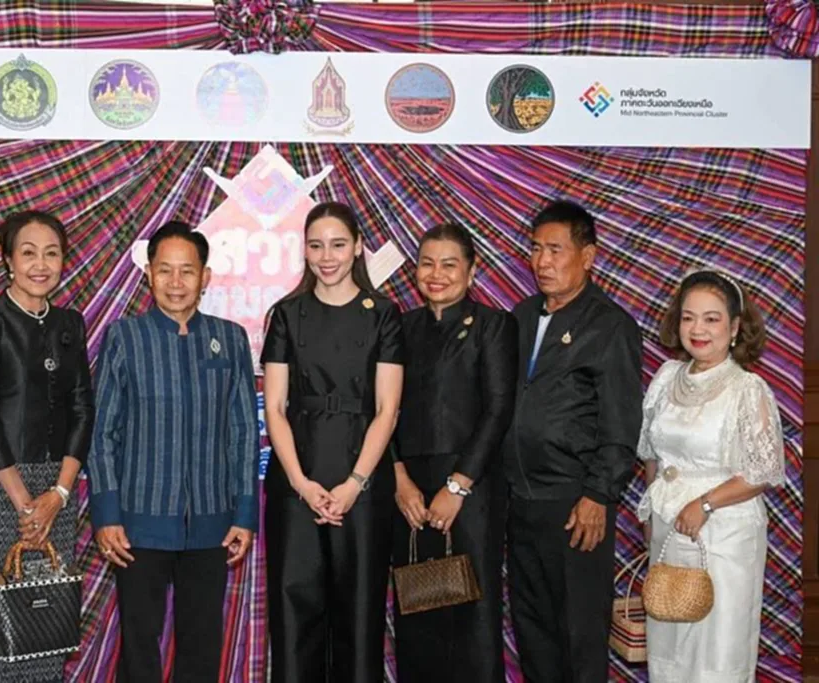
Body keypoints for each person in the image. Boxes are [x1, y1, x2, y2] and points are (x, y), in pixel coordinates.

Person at [87, 220, 259, 683]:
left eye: (187, 270)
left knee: (202, 645)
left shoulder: (230, 338)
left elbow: (244, 431)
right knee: (139, 644)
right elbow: (102, 433)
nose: (176, 282)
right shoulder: (125, 337)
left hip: (212, 523)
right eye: (165, 270)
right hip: (137, 523)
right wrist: (107, 514)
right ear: (149, 275)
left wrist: (244, 513)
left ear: (206, 277)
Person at [262, 201, 404, 682]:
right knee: (293, 616)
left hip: (362, 487)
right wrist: (301, 483)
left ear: (358, 247)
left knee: (359, 618)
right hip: (295, 486)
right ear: (303, 250)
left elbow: (387, 410)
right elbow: (275, 408)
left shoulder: (383, 315)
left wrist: (355, 484)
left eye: (338, 244)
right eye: (316, 246)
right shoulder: (287, 314)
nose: (327, 256)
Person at [503, 200, 643, 682]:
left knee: (579, 635)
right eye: (535, 249)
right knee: (534, 632)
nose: (542, 261)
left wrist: (598, 495)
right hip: (520, 502)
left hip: (575, 505)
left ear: (588, 256)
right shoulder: (520, 317)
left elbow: (622, 425)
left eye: (555, 250)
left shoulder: (610, 326)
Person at [0, 210, 95, 682]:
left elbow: (82, 409)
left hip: (55, 490)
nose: (41, 264)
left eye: (52, 254)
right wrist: (25, 506)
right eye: (29, 253)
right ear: (8, 261)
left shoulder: (71, 323)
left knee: (44, 623)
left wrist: (58, 495)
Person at [637, 270, 784, 681]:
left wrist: (704, 504)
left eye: (711, 319)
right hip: (669, 526)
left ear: (735, 327)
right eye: (688, 318)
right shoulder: (667, 377)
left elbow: (762, 471)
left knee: (717, 647)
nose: (697, 329)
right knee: (669, 639)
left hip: (725, 532)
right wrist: (650, 515)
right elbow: (651, 453)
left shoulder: (747, 389)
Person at [391, 223, 518, 682]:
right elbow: (382, 408)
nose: (436, 274)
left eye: (449, 264)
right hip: (409, 492)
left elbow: (499, 409)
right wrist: (399, 479)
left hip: (471, 488)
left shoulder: (493, 325)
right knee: (418, 611)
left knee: (471, 616)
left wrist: (458, 486)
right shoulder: (400, 327)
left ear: (471, 270)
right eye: (427, 263)